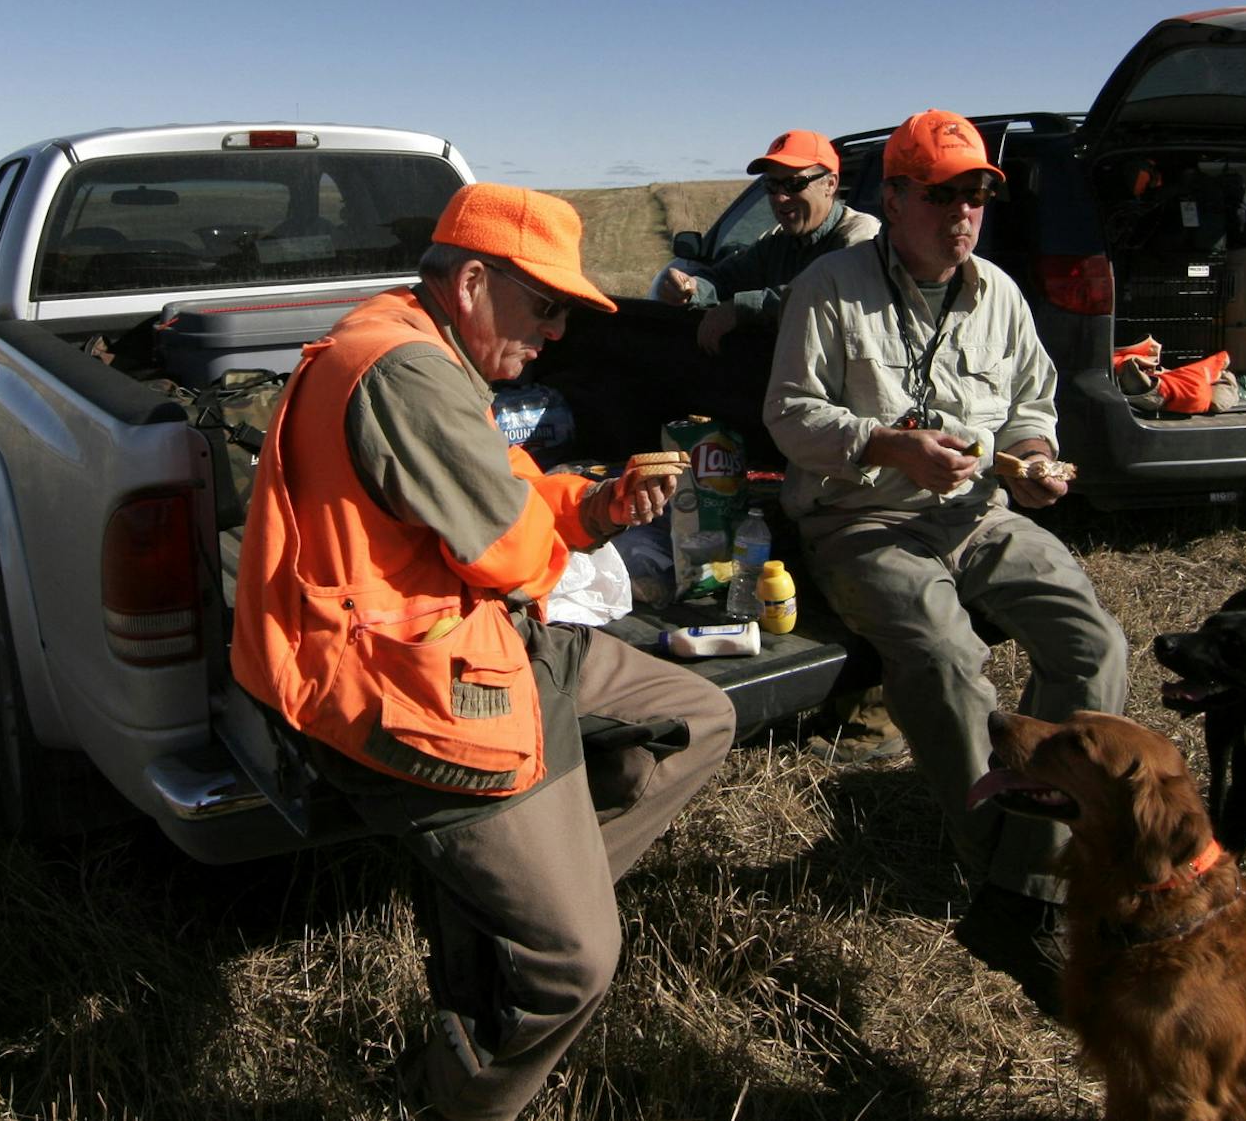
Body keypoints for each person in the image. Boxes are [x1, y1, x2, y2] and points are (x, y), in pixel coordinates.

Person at [233, 182, 737, 1121]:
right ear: (472, 282)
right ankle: (462, 1090)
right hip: (406, 678)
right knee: (577, 965)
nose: (554, 335)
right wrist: (568, 523)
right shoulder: (406, 372)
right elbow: (502, 550)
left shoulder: (433, 353)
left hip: (483, 639)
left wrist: (594, 506)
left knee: (700, 716)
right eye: (543, 307)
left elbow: (510, 497)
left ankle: (507, 910)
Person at [762, 109, 1129, 1010]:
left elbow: (1033, 402)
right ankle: (996, 861)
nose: (964, 213)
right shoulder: (830, 287)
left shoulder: (999, 293)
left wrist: (1035, 460)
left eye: (977, 196)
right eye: (943, 195)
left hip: (977, 515)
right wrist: (889, 447)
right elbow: (789, 416)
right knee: (943, 653)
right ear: (891, 198)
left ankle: (1023, 880)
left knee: (1095, 645)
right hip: (864, 522)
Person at [655, 129, 880, 354]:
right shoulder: (777, 242)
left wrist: (739, 308)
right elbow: (727, 278)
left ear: (830, 184)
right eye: (772, 185)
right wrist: (691, 287)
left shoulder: (860, 235)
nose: (780, 197)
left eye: (794, 184)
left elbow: (826, 296)